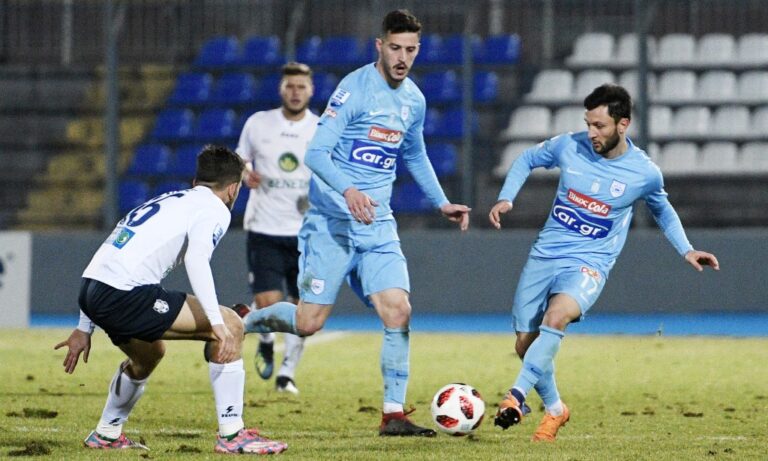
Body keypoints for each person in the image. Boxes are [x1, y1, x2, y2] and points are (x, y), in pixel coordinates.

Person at [238, 9, 470, 437]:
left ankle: (393, 414)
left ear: (418, 50)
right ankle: (245, 322)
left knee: (398, 310)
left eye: (411, 50)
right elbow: (316, 154)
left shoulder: (414, 100)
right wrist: (348, 191)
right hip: (332, 224)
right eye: (395, 48)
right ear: (379, 46)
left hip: (378, 226)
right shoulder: (354, 90)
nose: (402, 58)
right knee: (308, 323)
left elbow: (414, 154)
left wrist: (441, 202)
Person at [489, 84, 720, 442]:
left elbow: (662, 209)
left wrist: (686, 249)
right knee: (525, 344)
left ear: (623, 124)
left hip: (590, 262)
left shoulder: (644, 172)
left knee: (557, 317)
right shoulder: (569, 146)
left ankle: (515, 396)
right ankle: (555, 410)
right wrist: (506, 198)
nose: (591, 133)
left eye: (599, 125)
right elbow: (526, 159)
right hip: (545, 255)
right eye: (588, 124)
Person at [54, 145, 288, 455]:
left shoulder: (168, 199)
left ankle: (106, 434)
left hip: (93, 289)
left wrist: (84, 327)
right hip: (125, 294)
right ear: (233, 188)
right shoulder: (215, 208)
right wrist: (217, 322)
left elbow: (110, 254)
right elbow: (197, 259)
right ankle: (233, 435)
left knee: (149, 354)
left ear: (196, 181)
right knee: (232, 325)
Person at [234, 62, 319, 395]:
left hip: (306, 233)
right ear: (281, 89)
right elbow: (240, 158)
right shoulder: (258, 123)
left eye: (301, 86)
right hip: (265, 228)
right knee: (268, 302)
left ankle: (287, 374)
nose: (295, 92)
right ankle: (267, 340)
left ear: (311, 90)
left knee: (303, 309)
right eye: (290, 86)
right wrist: (246, 173)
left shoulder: (321, 128)